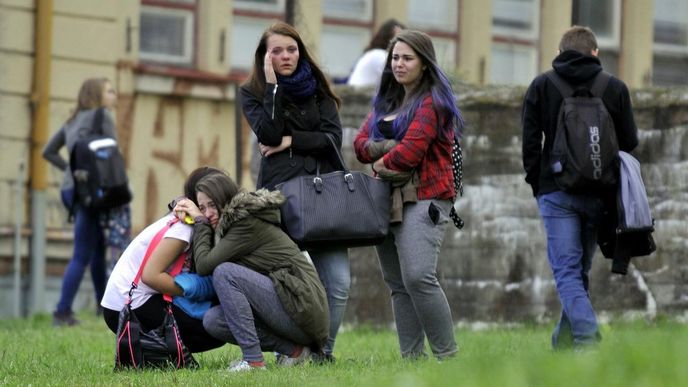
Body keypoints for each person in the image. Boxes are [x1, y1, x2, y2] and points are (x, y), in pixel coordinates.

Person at [521, 26, 639, 350]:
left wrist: (539, 184)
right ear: (595, 53)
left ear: (559, 54)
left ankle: (587, 338)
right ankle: (562, 345)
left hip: (556, 192)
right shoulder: (614, 88)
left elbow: (530, 145)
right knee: (578, 271)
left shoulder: (542, 85)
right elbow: (629, 143)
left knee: (568, 273)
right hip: (599, 194)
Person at [239, 21, 349, 362]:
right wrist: (273, 88)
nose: (286, 56)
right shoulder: (252, 92)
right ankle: (288, 353)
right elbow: (268, 134)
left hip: (322, 197)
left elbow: (333, 138)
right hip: (279, 200)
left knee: (338, 282)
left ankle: (322, 353)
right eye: (277, 51)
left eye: (292, 49)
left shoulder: (318, 89)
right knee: (282, 284)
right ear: (264, 57)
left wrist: (291, 140)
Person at [353, 30, 462, 360]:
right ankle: (412, 360)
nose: (399, 64)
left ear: (425, 64)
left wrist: (383, 157)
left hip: (426, 196)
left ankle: (448, 358)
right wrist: (387, 149)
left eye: (407, 58)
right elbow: (359, 146)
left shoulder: (433, 103)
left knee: (418, 277)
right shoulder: (387, 102)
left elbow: (409, 155)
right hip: (385, 198)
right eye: (395, 58)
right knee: (397, 283)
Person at [173, 172, 329, 372]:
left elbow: (204, 266)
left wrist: (200, 222)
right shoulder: (229, 226)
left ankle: (253, 362)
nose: (208, 213)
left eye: (212, 205)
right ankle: (294, 351)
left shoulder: (245, 223)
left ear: (226, 198)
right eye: (202, 208)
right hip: (288, 305)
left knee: (225, 272)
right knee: (214, 320)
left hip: (302, 308)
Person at [100, 167, 226, 354]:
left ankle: (157, 353)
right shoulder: (185, 227)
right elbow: (150, 276)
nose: (210, 211)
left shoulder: (192, 222)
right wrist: (195, 291)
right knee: (211, 329)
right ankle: (157, 352)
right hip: (124, 307)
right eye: (205, 205)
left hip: (132, 300)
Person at [43, 77, 120, 326]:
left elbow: (48, 151)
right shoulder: (103, 116)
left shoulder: (72, 120)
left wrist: (70, 170)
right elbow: (110, 156)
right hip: (92, 192)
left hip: (71, 191)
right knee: (82, 253)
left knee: (96, 246)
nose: (114, 95)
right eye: (109, 91)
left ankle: (102, 305)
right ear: (97, 95)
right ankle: (62, 311)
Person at [348, 19, 406, 88]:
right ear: (387, 37)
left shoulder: (374, 53)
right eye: (397, 38)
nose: (401, 42)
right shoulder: (378, 54)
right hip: (359, 95)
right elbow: (396, 78)